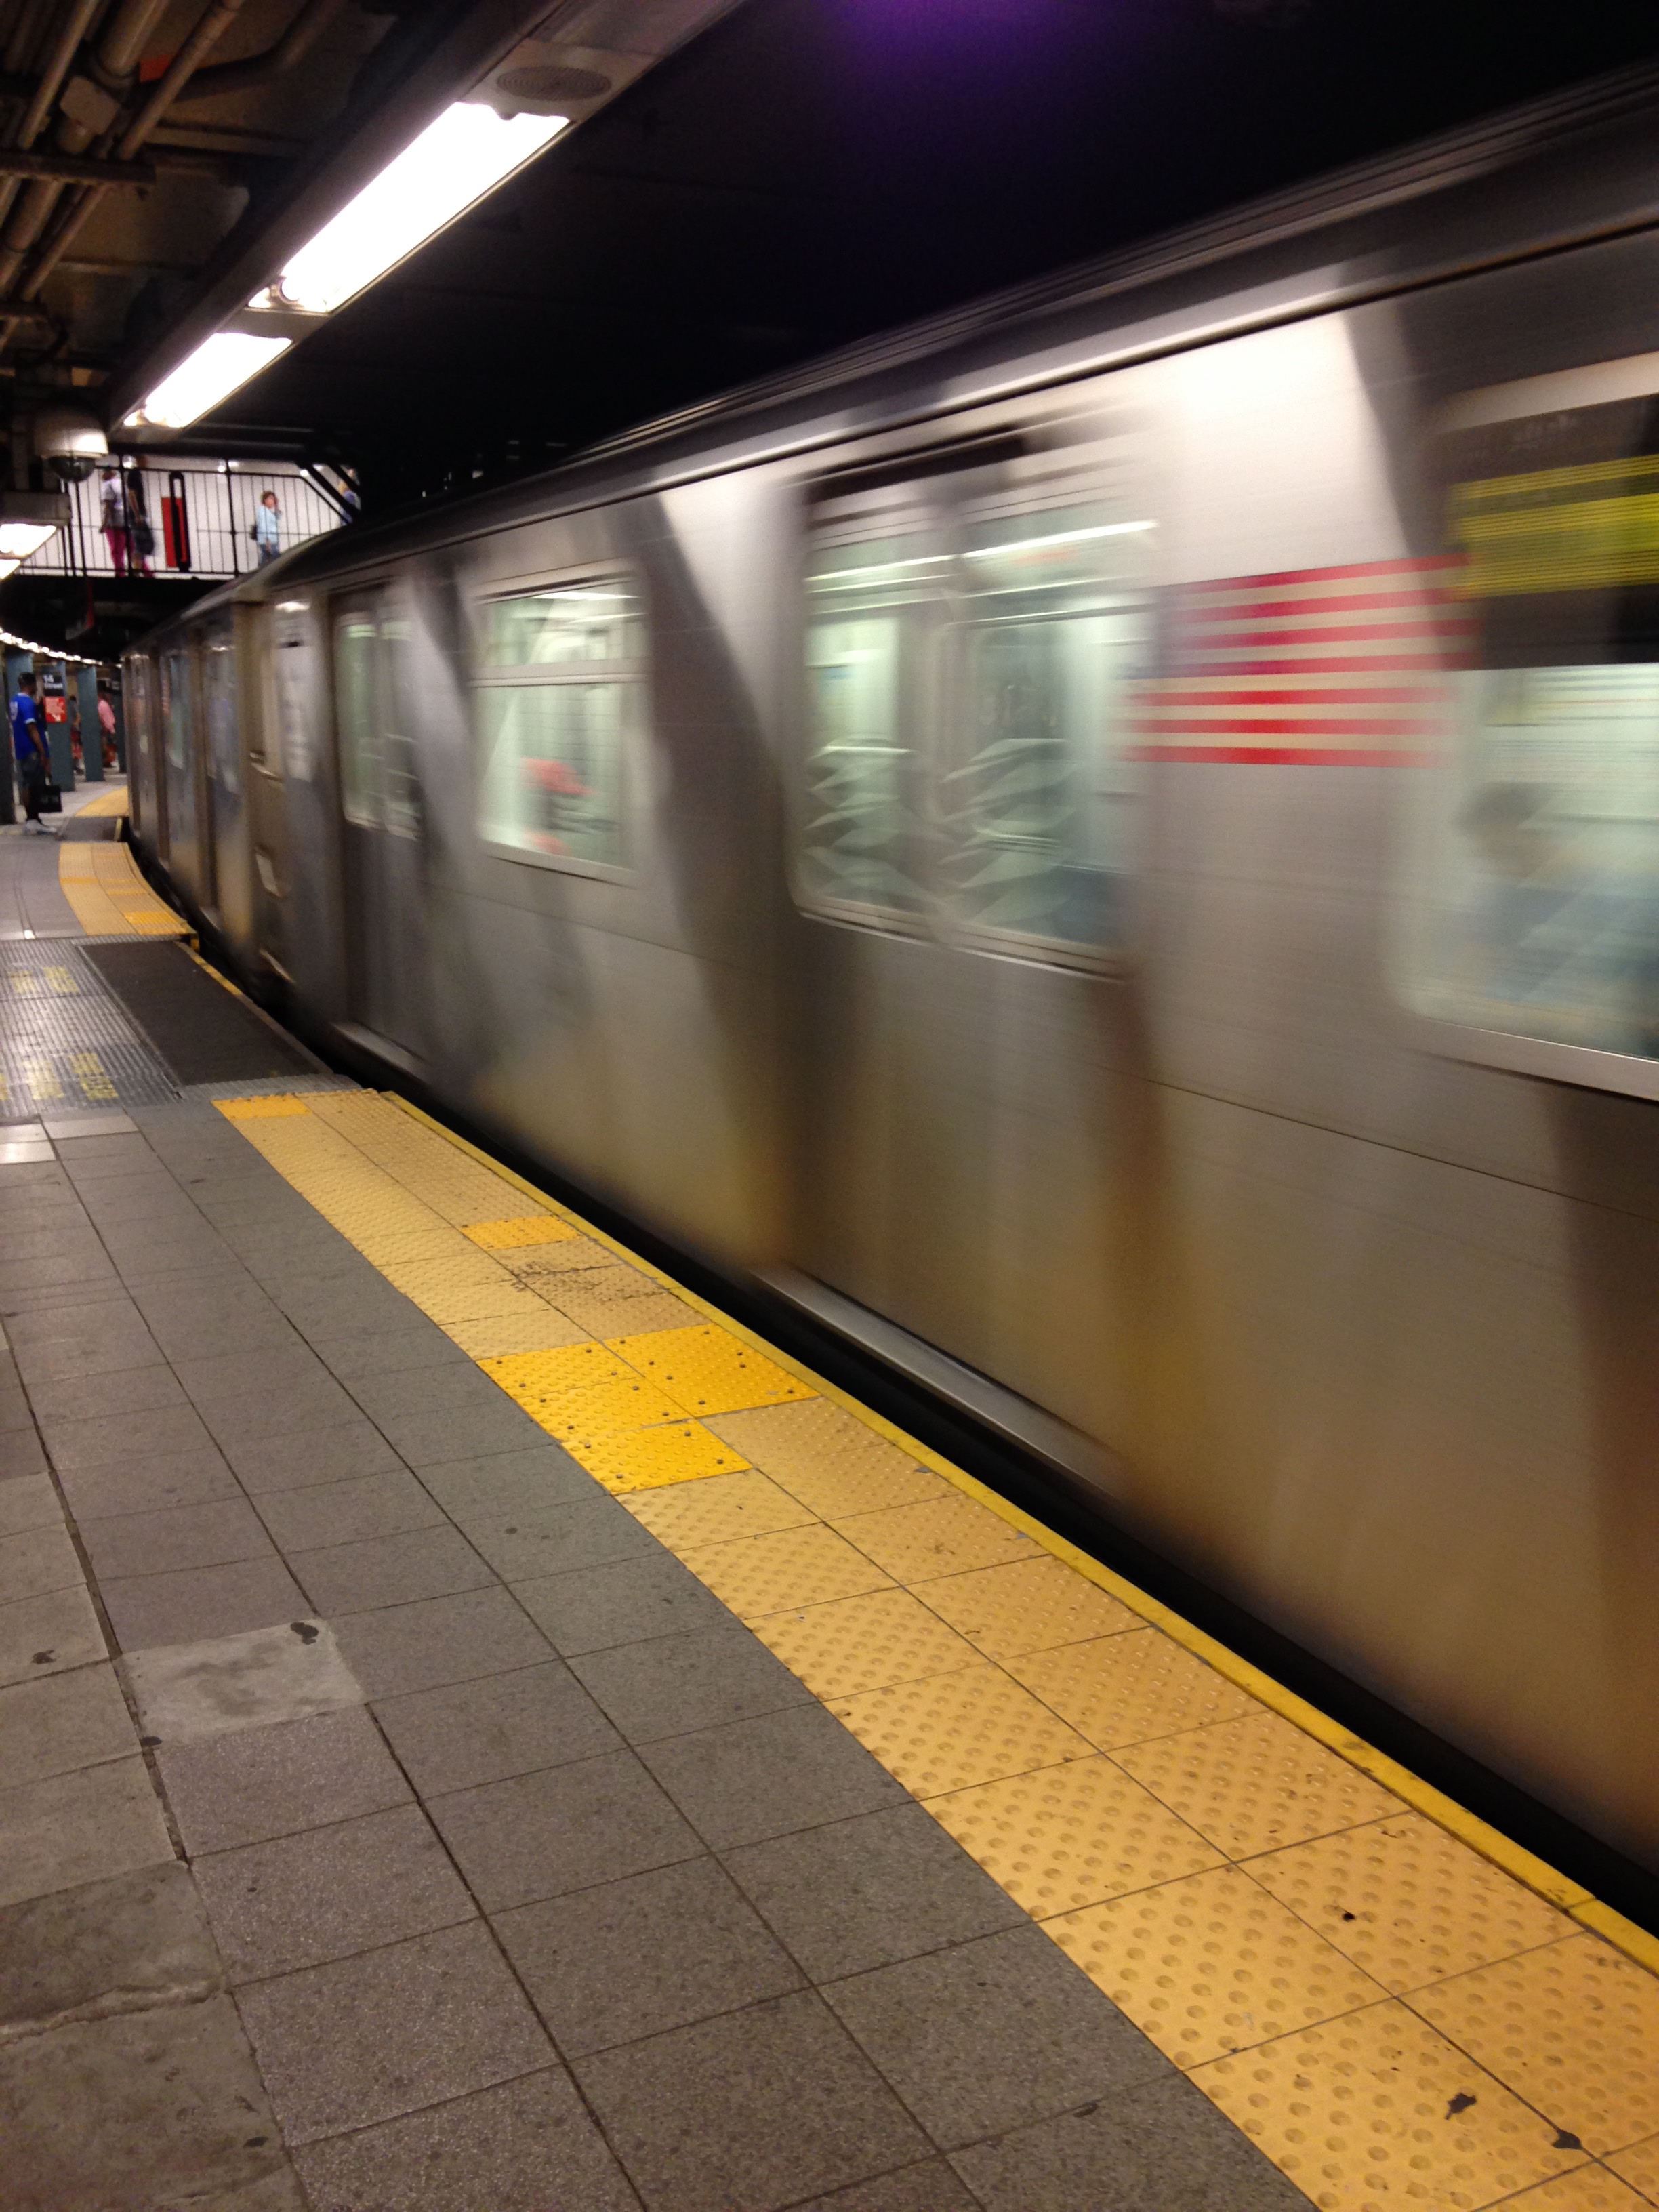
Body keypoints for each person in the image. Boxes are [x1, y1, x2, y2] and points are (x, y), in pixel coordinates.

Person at [9, 674, 54, 835]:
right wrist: (43, 751)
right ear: (31, 685)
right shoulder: (27, 702)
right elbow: (32, 728)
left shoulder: (14, 701)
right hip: (32, 751)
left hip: (22, 750)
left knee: (27, 784)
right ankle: (33, 819)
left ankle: (31, 820)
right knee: (35, 785)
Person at [254, 489, 282, 566]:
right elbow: (263, 526)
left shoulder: (268, 511)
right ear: (265, 500)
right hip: (268, 541)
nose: (273, 501)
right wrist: (267, 540)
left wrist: (277, 506)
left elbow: (278, 517)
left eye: (274, 499)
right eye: (271, 499)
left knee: (267, 559)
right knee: (273, 560)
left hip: (271, 540)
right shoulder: (262, 510)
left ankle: (261, 571)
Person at [98, 689, 117, 769]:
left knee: (107, 746)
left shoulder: (101, 704)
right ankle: (106, 761)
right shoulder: (103, 704)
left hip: (107, 728)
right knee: (108, 746)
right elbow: (106, 718)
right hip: (108, 728)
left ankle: (106, 761)